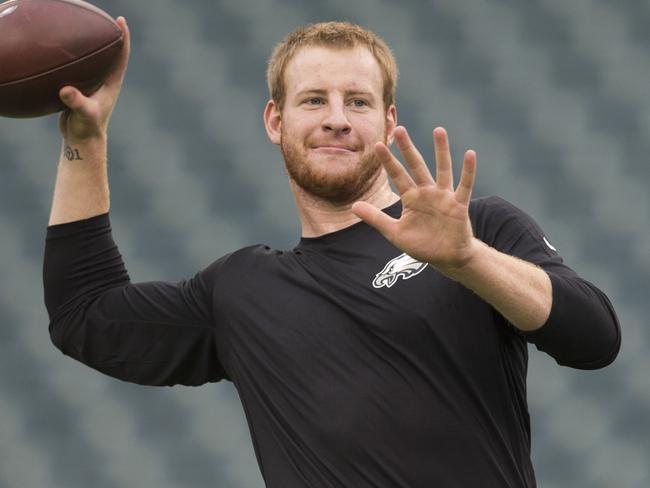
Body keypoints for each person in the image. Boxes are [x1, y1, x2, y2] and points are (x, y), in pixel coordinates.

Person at [44, 18, 620, 488]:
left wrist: (468, 259)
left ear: (389, 120)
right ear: (276, 120)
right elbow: (84, 315)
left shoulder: (479, 228)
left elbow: (594, 338)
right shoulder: (243, 290)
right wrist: (84, 141)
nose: (337, 119)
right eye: (314, 99)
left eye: (359, 102)